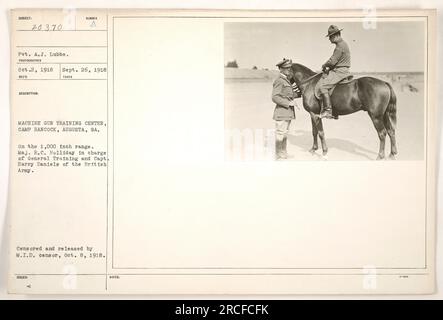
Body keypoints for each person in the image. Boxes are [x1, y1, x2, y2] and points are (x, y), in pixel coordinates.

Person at [315, 25, 351, 119]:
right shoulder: (343, 44)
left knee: (323, 87)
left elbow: (332, 61)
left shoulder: (340, 46)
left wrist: (324, 66)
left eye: (330, 37)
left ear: (335, 36)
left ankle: (327, 110)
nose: (329, 39)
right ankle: (334, 111)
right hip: (341, 70)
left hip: (340, 71)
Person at [271, 58, 300, 160]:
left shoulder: (286, 80)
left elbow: (288, 95)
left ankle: (283, 153)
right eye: (286, 68)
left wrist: (300, 93)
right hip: (282, 112)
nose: (289, 70)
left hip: (287, 113)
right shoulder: (279, 80)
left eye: (289, 68)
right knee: (280, 134)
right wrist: (289, 103)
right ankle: (278, 155)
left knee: (284, 133)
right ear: (281, 69)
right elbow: (275, 97)